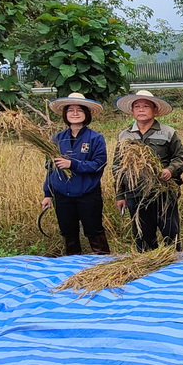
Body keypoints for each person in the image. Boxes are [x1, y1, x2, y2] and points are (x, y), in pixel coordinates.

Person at [112, 90, 183, 252]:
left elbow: (181, 158)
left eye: (146, 106)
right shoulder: (125, 135)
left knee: (170, 233)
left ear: (155, 110)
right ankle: (148, 263)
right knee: (143, 237)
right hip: (135, 193)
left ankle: (174, 261)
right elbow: (118, 167)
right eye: (137, 106)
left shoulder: (167, 132)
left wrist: (169, 170)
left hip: (164, 192)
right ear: (132, 111)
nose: (141, 109)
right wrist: (120, 195)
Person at [41, 92, 110, 255]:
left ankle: (103, 261)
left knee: (94, 229)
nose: (75, 113)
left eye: (79, 110)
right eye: (70, 110)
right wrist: (47, 194)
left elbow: (98, 164)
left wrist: (72, 164)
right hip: (62, 194)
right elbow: (50, 168)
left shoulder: (95, 138)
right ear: (65, 114)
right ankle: (72, 263)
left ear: (86, 113)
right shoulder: (57, 139)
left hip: (88, 193)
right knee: (68, 231)